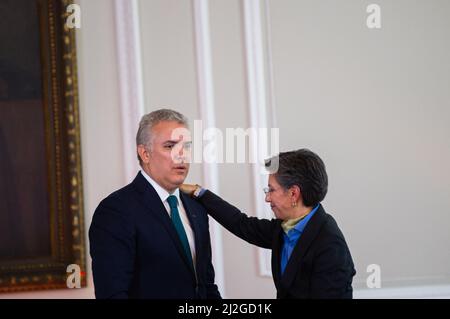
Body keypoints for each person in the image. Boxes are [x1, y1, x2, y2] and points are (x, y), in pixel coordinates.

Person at [181, 149, 355, 299]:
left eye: (271, 190)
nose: (267, 198)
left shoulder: (330, 247)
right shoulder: (285, 227)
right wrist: (199, 192)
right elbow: (241, 223)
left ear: (293, 193)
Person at [89, 109, 221, 299]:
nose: (181, 155)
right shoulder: (114, 211)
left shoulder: (196, 207)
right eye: (169, 146)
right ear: (145, 153)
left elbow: (206, 285)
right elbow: (112, 295)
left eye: (187, 146)